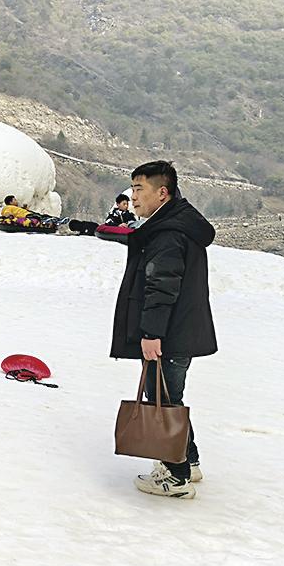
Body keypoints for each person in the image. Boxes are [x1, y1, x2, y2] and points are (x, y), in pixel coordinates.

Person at [111, 160, 217, 500]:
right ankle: (190, 461)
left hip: (169, 334)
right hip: (180, 331)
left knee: (163, 400)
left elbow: (161, 287)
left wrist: (151, 334)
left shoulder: (169, 234)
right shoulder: (176, 224)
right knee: (170, 397)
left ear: (162, 192)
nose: (134, 196)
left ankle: (176, 477)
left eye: (139, 189)